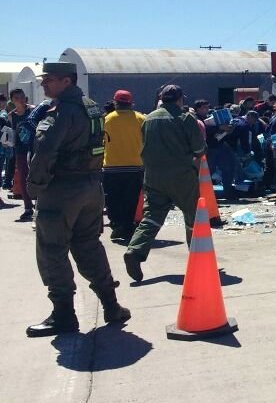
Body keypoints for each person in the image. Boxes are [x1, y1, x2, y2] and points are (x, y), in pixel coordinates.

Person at [24, 62, 130, 337]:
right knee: (88, 245)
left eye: (49, 80)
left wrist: (34, 187)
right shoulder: (91, 106)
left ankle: (63, 315)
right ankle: (111, 305)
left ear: (67, 81)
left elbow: (45, 151)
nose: (44, 84)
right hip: (91, 187)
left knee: (52, 249)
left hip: (62, 190)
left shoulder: (61, 112)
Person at [123, 85, 206, 282]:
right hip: (181, 176)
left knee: (152, 216)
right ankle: (199, 259)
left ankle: (135, 251)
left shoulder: (149, 118)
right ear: (179, 99)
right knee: (193, 218)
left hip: (153, 176)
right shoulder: (186, 118)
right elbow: (199, 148)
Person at [102, 90, 146, 241]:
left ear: (115, 102)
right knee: (131, 199)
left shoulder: (107, 119)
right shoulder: (140, 118)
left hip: (111, 167)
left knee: (113, 199)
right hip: (135, 166)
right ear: (130, 103)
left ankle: (117, 224)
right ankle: (127, 226)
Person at [9, 88, 35, 221]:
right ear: (12, 101)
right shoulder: (11, 115)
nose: (21, 99)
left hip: (35, 148)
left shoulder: (33, 111)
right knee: (23, 178)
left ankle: (41, 205)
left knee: (37, 177)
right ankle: (28, 208)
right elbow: (11, 133)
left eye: (22, 96)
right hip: (20, 150)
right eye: (17, 98)